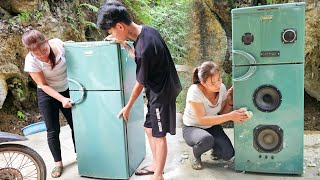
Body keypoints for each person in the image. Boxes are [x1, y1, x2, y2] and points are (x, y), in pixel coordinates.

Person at [96, 1, 182, 179]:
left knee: (159, 135)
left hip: (162, 92)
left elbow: (139, 82)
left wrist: (127, 106)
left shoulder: (145, 47)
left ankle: (158, 175)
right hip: (160, 86)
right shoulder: (147, 31)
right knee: (149, 129)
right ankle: (156, 164)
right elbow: (142, 60)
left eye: (111, 31)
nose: (111, 34)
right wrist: (125, 44)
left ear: (120, 26)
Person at [22, 30, 75, 178]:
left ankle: (81, 155)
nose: (42, 55)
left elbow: (74, 50)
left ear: (47, 41)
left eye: (44, 49)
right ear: (30, 51)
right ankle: (58, 163)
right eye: (37, 53)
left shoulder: (58, 44)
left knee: (75, 125)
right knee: (53, 130)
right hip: (47, 93)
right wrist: (62, 99)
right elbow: (43, 85)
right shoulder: (31, 60)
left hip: (67, 88)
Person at [182, 61, 248, 170]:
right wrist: (231, 116)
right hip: (192, 127)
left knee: (228, 154)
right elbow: (202, 120)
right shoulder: (194, 91)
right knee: (206, 139)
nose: (218, 84)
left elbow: (222, 113)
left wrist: (230, 102)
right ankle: (196, 155)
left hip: (211, 126)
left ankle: (214, 147)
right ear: (203, 83)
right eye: (213, 83)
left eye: (219, 79)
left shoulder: (221, 88)